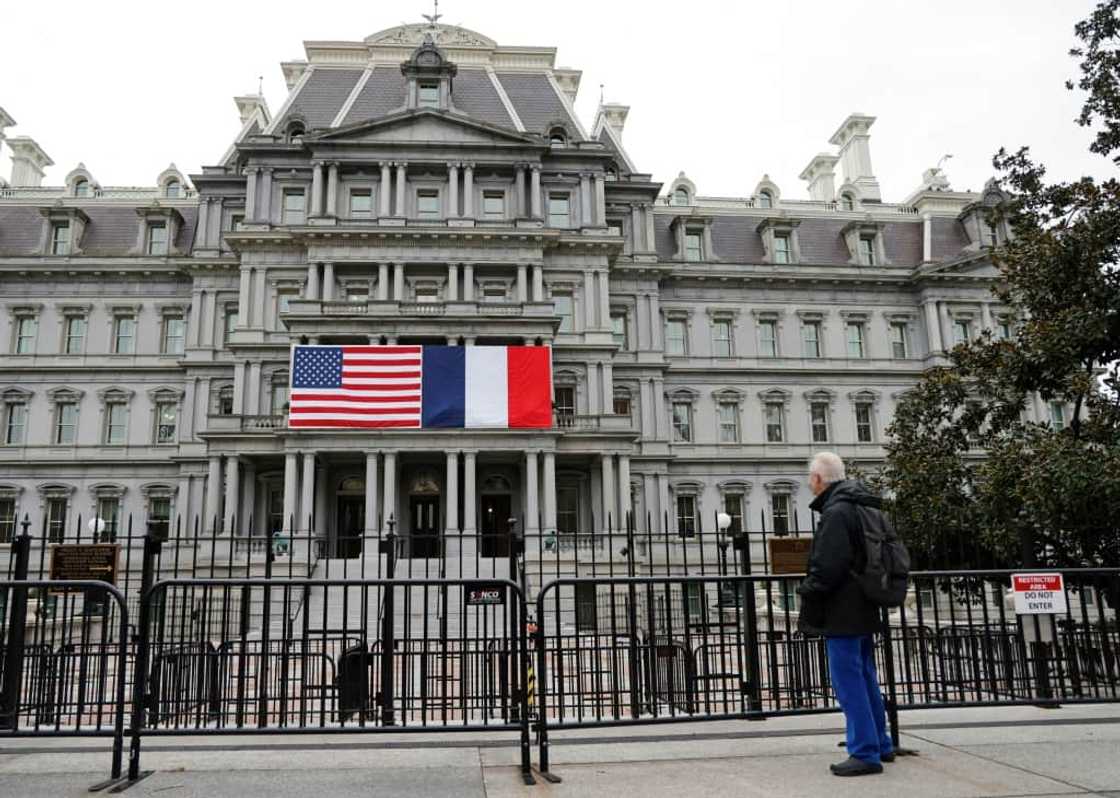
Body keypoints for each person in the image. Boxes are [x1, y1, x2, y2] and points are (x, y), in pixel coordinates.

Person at [798, 451, 894, 776]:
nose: (810, 483)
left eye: (810, 478)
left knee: (847, 679)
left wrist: (808, 588)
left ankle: (865, 751)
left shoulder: (837, 512)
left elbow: (829, 564)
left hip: (843, 607)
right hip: (866, 601)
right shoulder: (861, 504)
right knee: (865, 674)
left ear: (818, 479)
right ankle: (879, 742)